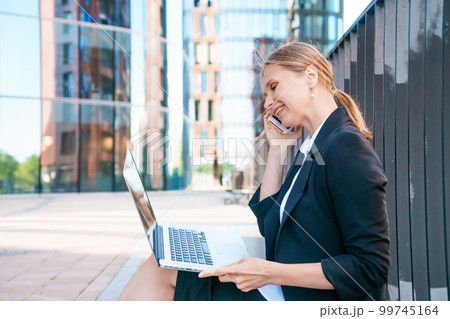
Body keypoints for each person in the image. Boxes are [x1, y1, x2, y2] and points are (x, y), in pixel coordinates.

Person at [119, 41, 390, 301]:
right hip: (283, 290)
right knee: (161, 265)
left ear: (310, 77)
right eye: (265, 95)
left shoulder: (345, 147)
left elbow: (370, 269)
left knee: (161, 272)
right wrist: (278, 150)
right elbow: (268, 224)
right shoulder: (312, 145)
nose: (268, 104)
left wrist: (268, 272)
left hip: (305, 300)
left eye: (274, 87)